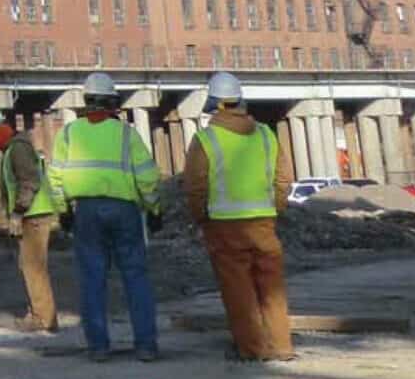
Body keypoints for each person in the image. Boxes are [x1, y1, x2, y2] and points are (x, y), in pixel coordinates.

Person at [47, 70, 162, 362]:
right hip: (124, 210)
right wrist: (154, 208)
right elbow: (146, 176)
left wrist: (63, 211)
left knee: (92, 279)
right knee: (135, 277)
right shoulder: (126, 133)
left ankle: (99, 347)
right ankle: (145, 345)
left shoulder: (70, 133)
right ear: (113, 102)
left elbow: (55, 176)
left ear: (86, 101)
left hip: (86, 211)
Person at [184, 71, 295, 364]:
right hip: (263, 222)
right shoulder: (266, 135)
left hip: (224, 225)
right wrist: (275, 210)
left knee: (239, 290)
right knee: (271, 286)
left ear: (215, 105)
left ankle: (253, 348)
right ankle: (282, 345)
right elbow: (284, 180)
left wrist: (201, 218)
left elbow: (195, 186)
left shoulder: (206, 139)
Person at [0, 108, 59, 333]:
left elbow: (29, 181)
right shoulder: (13, 149)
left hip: (33, 215)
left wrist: (18, 211)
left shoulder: (18, 149)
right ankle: (40, 313)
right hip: (30, 214)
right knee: (29, 266)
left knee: (34, 267)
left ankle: (43, 318)